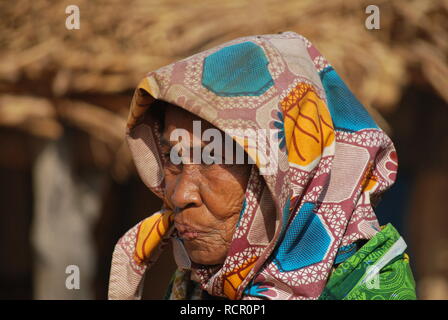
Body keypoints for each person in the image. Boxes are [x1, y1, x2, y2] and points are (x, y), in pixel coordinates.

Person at [108, 32, 417, 300]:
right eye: (173, 159)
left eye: (212, 158)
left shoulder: (369, 286)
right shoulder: (201, 285)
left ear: (287, 172)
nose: (179, 195)